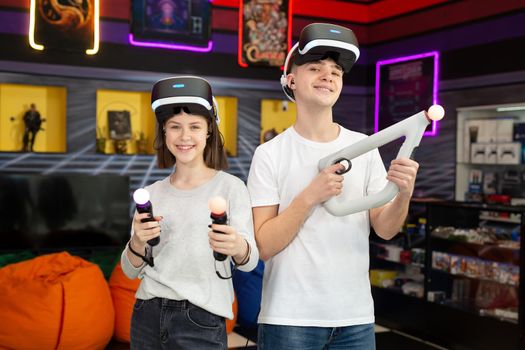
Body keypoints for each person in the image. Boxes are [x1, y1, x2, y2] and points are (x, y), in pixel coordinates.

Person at [247, 23, 420, 349]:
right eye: (315, 68)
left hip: (355, 319)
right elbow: (264, 246)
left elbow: (385, 229)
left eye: (335, 71)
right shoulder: (269, 154)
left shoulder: (365, 147)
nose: (328, 75)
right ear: (291, 80)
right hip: (289, 320)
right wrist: (310, 196)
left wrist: (403, 194)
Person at [121, 76, 259, 350]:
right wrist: (137, 241)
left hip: (202, 320)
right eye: (175, 127)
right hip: (146, 314)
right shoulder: (151, 194)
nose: (184, 136)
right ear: (164, 133)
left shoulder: (231, 187)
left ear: (209, 130)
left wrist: (237, 246)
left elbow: (249, 261)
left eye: (194, 126)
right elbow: (128, 270)